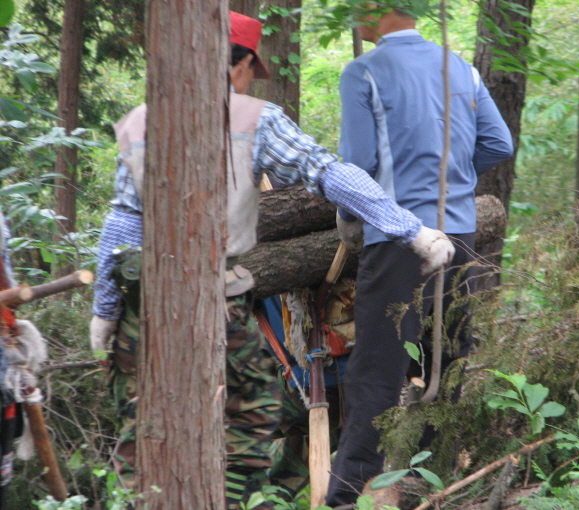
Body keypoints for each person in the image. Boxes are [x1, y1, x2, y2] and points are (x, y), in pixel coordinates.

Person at [89, 11, 455, 509]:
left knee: (148, 424)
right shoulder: (255, 119)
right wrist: (409, 228)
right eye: (249, 71)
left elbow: (121, 223)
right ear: (239, 64)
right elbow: (329, 173)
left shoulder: (141, 120)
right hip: (212, 298)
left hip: (143, 300)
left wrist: (106, 310)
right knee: (252, 413)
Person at [326, 8, 514, 506]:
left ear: (381, 9)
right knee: (445, 362)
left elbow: (357, 165)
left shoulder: (363, 70)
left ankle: (345, 497)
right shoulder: (461, 67)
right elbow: (498, 143)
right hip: (460, 237)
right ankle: (429, 489)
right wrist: (455, 182)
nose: (353, 14)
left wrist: (349, 214)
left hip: (398, 239)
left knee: (377, 369)